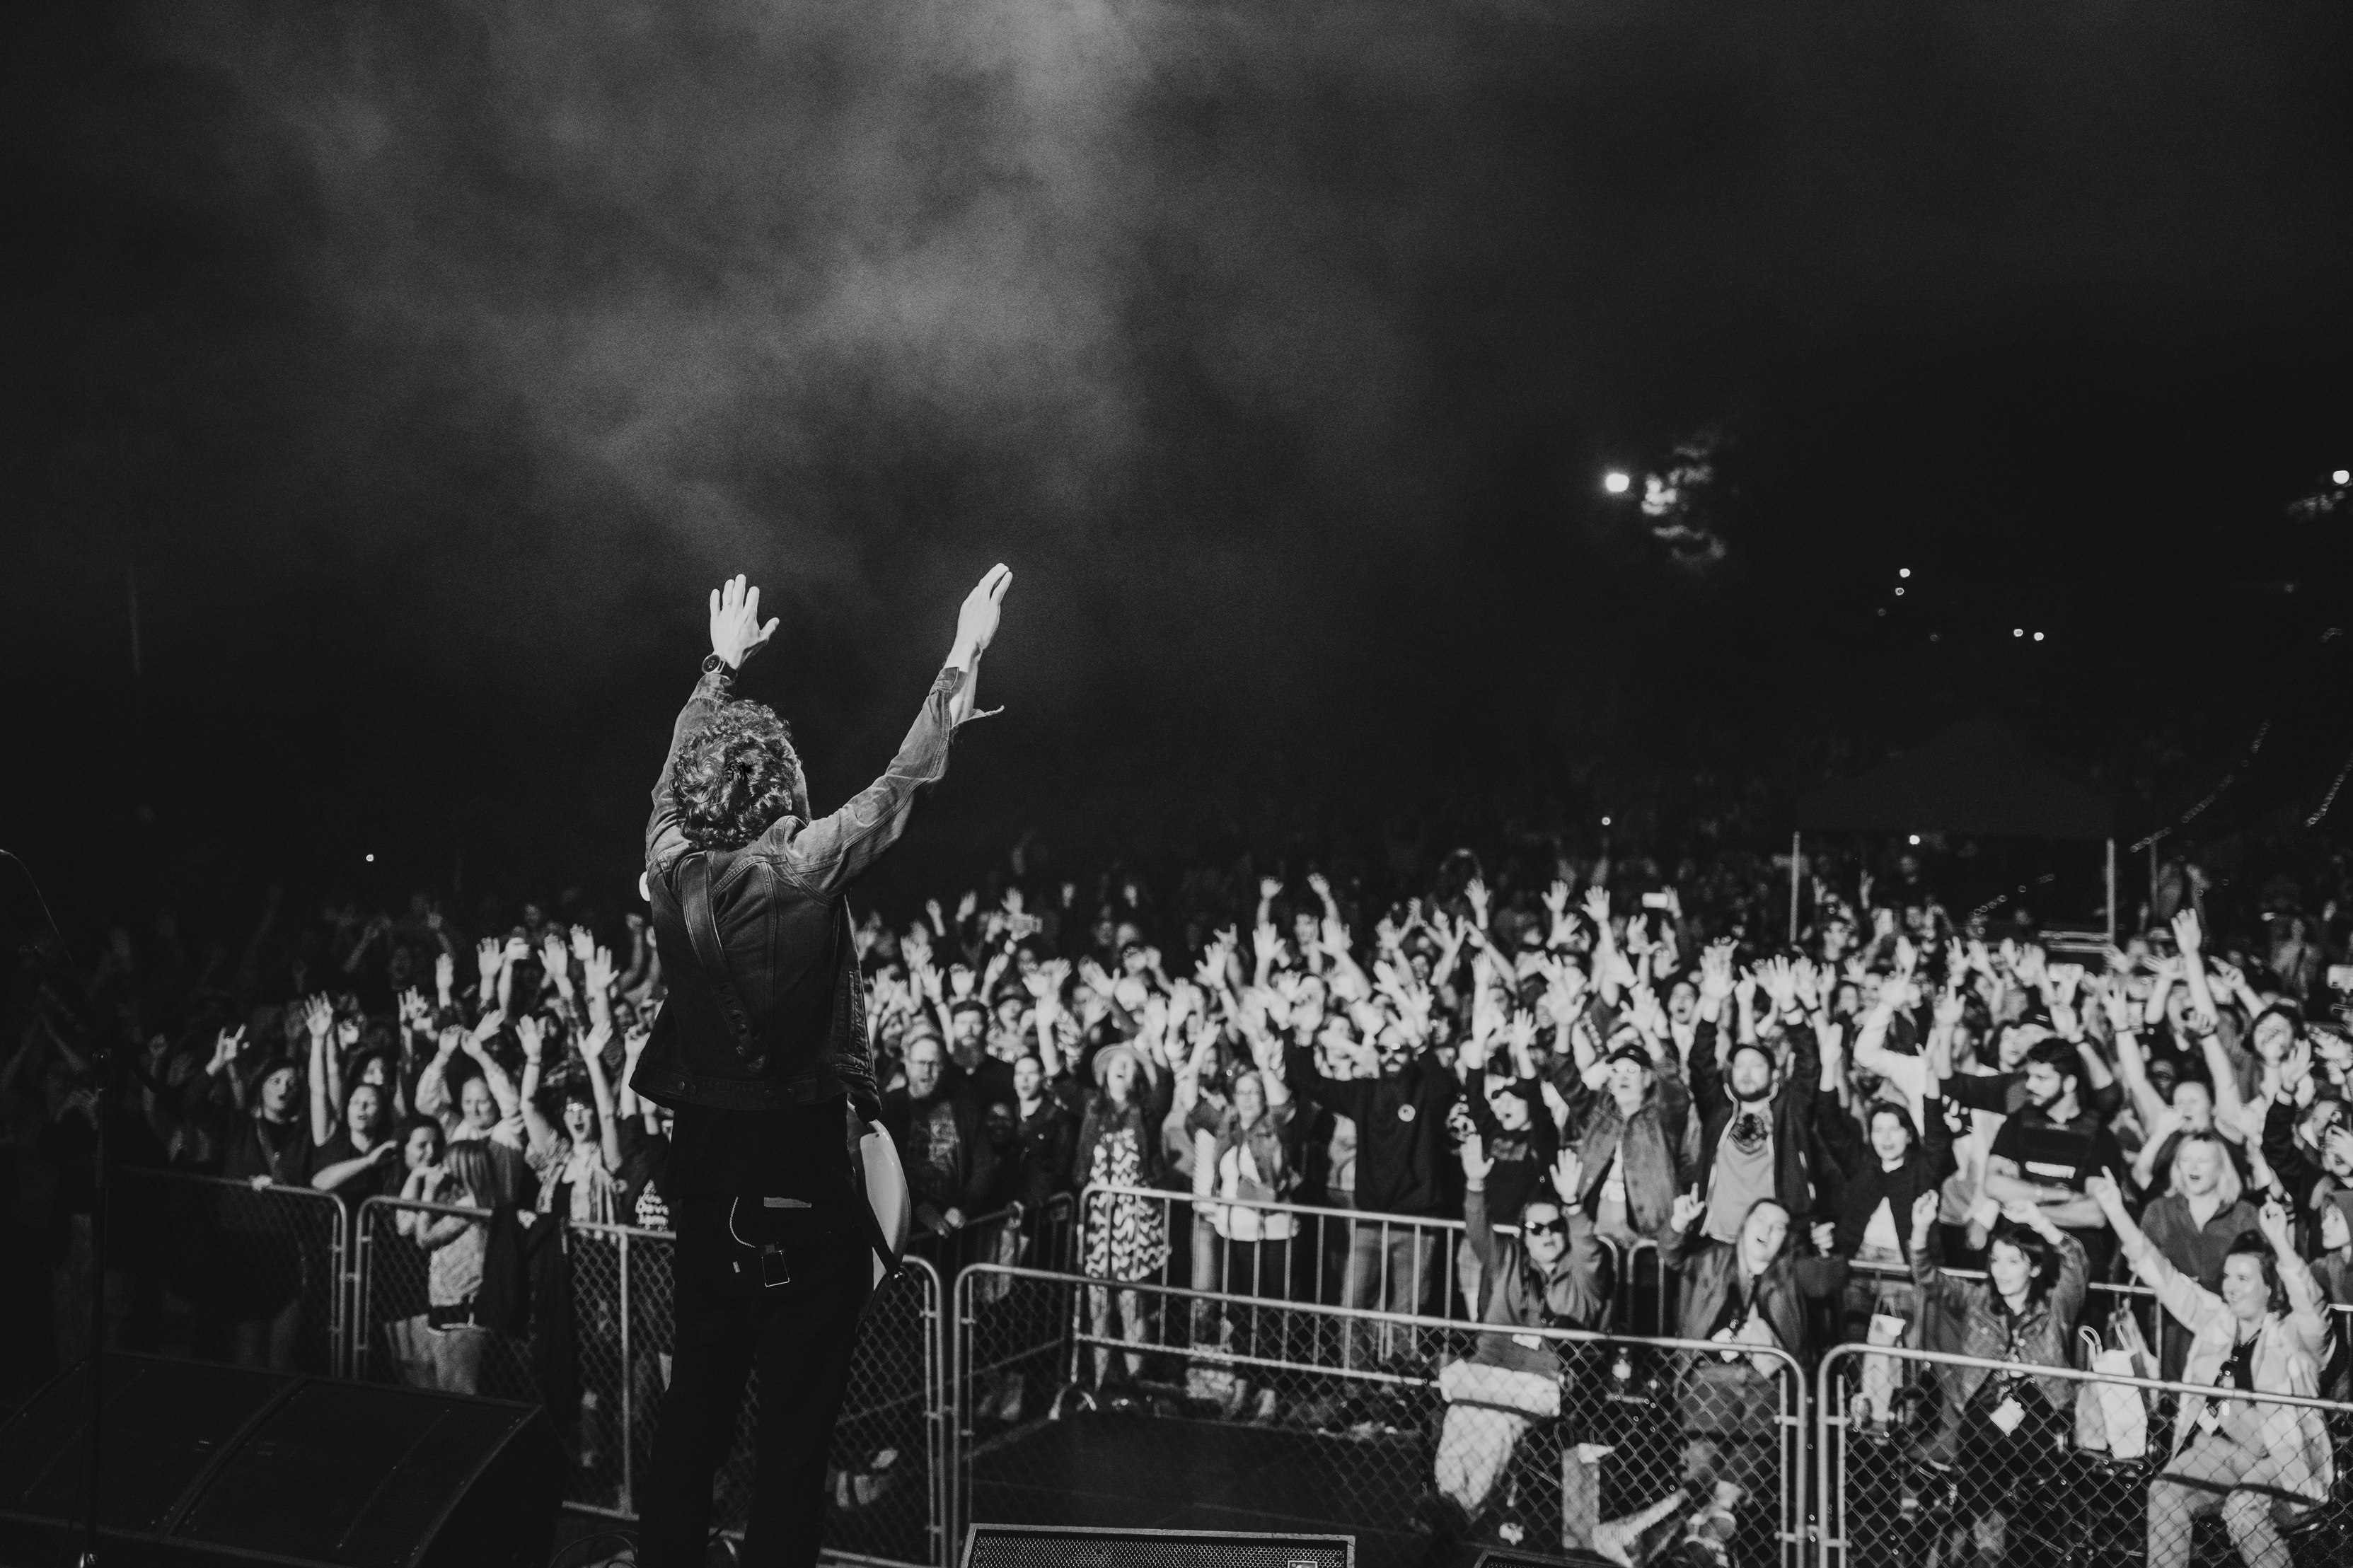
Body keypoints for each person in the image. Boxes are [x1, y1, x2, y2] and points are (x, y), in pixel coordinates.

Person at [630, 566, 1011, 1568]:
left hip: (708, 1174)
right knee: (792, 1443)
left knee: (695, 1410)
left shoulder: (667, 868)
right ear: (780, 785)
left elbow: (668, 782)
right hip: (801, 1168)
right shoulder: (802, 866)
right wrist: (960, 658)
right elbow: (899, 786)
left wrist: (717, 666)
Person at [2088, 1173, 2335, 1568]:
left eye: (2243, 1279)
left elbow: (2311, 1304)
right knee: (2165, 1491)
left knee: (2242, 1509)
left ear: (2270, 1287)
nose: (2231, 1287)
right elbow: (2160, 1274)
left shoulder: (2295, 1336)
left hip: (2281, 1458)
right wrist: (2116, 1210)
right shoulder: (2216, 1321)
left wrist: (2283, 1246)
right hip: (2221, 1451)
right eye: (2227, 1277)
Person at [1418, 1139, 1609, 1543]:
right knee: (1462, 1418)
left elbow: (1589, 1249)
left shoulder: (1582, 1279)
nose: (1547, 1235)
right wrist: (1474, 1183)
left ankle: (1463, 1508)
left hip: (1541, 1383)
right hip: (1490, 1371)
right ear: (1524, 1234)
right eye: (1536, 1228)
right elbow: (1477, 1229)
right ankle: (1448, 1499)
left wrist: (1573, 1204)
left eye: (1556, 1227)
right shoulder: (1507, 1261)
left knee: (1498, 1421)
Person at [1905, 1191, 2086, 1566]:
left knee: (1985, 1441)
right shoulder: (1979, 1303)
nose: (2000, 1270)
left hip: (2041, 1417)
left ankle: (1967, 1538)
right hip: (1981, 1419)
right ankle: (1987, 1549)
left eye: (2013, 1261)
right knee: (1979, 1437)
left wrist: (2041, 1223)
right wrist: (1921, 1230)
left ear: (2034, 1268)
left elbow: (2077, 1264)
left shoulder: (2054, 1309)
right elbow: (1927, 1278)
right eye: (1995, 1261)